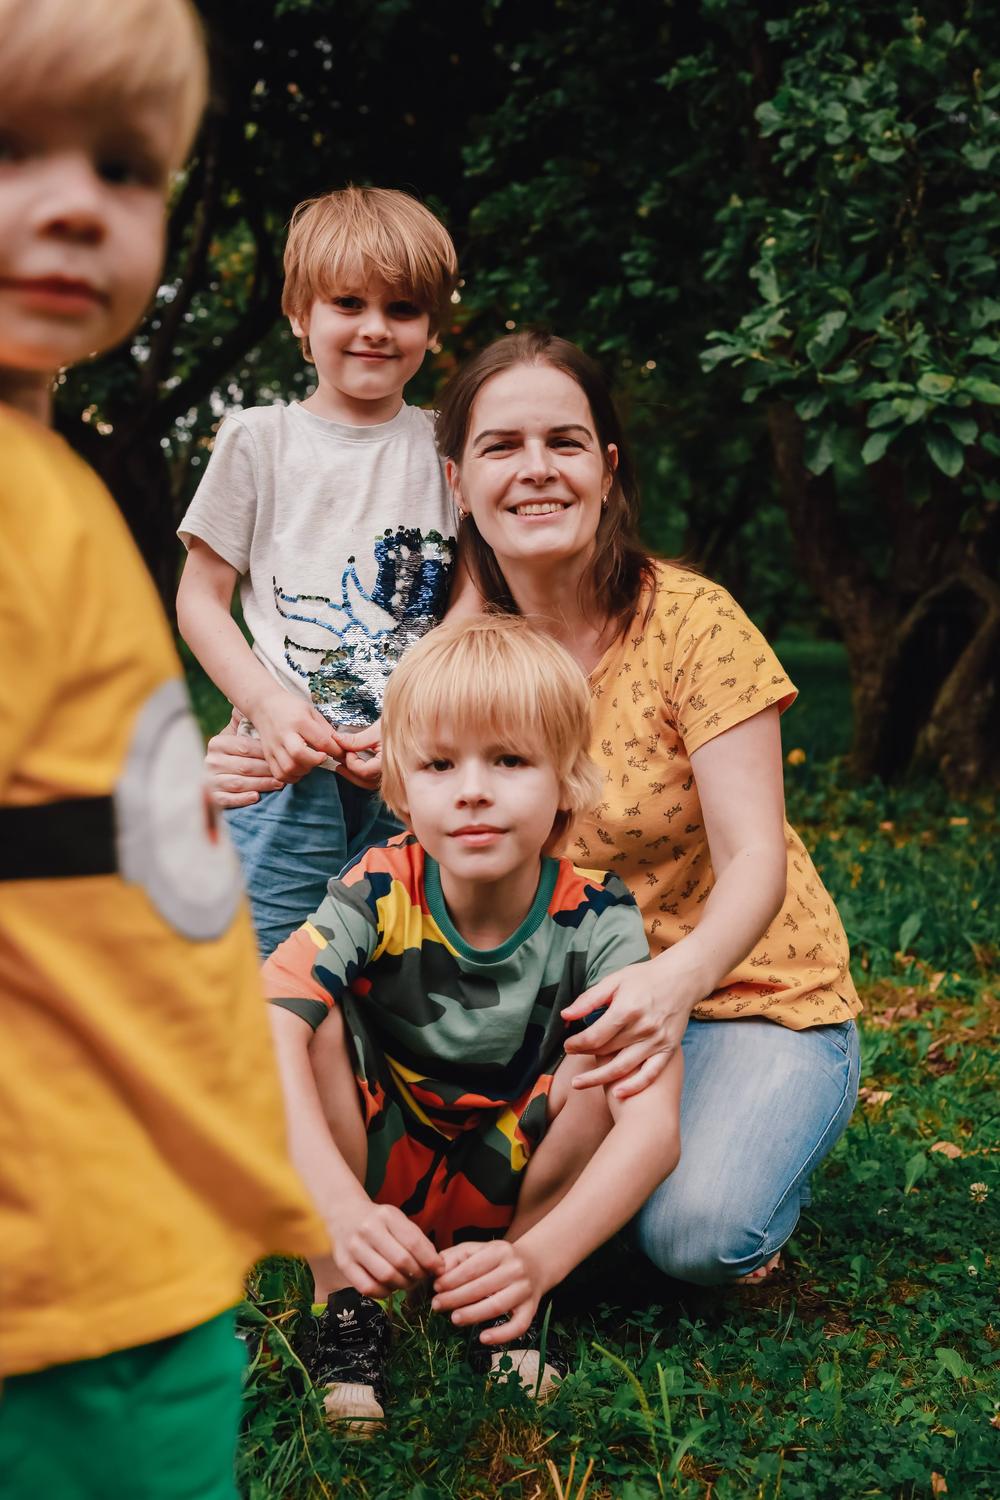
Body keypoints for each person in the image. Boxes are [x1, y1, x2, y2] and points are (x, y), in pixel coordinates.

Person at [209, 329, 861, 1288]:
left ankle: (707, 1168)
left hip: (738, 992)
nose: (536, 471)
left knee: (695, 1236)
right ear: (457, 480)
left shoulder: (693, 622)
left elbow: (757, 858)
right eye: (501, 447)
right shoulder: (448, 651)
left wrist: (670, 988)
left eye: (564, 442)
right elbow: (379, 765)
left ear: (606, 466)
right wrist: (252, 744)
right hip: (545, 997)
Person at [0, 3, 326, 1496]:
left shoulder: (40, 470)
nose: (74, 200)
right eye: (6, 149)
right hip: (60, 1262)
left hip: (117, 1210)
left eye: (126, 167)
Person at [262, 615, 683, 1430]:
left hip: (516, 1171)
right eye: (440, 764)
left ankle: (520, 1298)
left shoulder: (600, 918)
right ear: (400, 791)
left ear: (567, 781)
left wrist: (538, 1257)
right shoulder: (377, 887)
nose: (473, 789)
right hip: (379, 1162)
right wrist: (339, 1208)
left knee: (607, 1058)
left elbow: (654, 1128)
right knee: (298, 1014)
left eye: (511, 760)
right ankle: (343, 1301)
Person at [177, 184, 465, 955]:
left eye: (403, 310)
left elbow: (477, 602)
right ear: (301, 316)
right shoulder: (257, 440)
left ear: (433, 329)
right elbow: (200, 600)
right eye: (347, 303)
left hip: (419, 767)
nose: (375, 328)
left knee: (407, 979)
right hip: (282, 771)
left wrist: (413, 718)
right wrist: (267, 707)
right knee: (273, 973)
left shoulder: (451, 449)